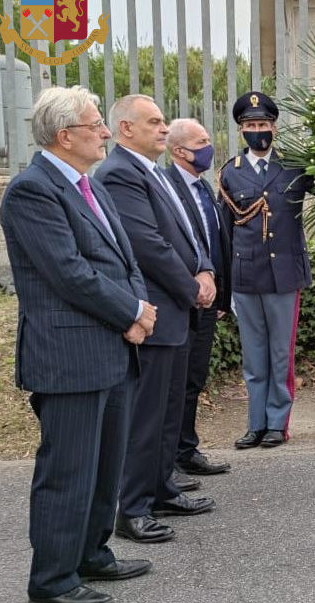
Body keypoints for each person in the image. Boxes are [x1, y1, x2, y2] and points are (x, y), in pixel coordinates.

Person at [0, 86, 154, 603]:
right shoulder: (32, 191)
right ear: (66, 136)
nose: (106, 132)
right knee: (68, 470)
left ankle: (91, 553)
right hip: (69, 357)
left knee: (105, 465)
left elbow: (123, 258)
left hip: (112, 347)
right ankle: (52, 578)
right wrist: (131, 313)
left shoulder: (88, 184)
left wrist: (138, 310)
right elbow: (69, 273)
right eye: (96, 125)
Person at [96, 95, 217, 544]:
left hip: (177, 308)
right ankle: (133, 508)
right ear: (125, 128)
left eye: (165, 121)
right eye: (154, 122)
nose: (164, 129)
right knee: (146, 416)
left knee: (168, 411)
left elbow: (188, 230)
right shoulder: (120, 174)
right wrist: (192, 287)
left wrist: (204, 267)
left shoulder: (153, 172)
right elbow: (147, 244)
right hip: (157, 309)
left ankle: (162, 487)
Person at [217, 91, 311, 448]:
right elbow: (224, 232)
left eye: (264, 124)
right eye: (251, 125)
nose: (258, 131)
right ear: (242, 131)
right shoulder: (231, 173)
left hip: (284, 276)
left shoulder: (295, 167)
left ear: (274, 127)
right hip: (246, 277)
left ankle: (277, 423)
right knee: (254, 356)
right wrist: (224, 285)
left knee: (280, 354)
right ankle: (255, 423)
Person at [165, 118, 233, 476]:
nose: (208, 147)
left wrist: (221, 295)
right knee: (173, 383)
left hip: (209, 300)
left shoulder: (205, 187)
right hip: (183, 298)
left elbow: (216, 242)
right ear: (179, 150)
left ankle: (186, 450)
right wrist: (191, 286)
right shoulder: (166, 186)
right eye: (201, 141)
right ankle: (166, 459)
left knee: (193, 377)